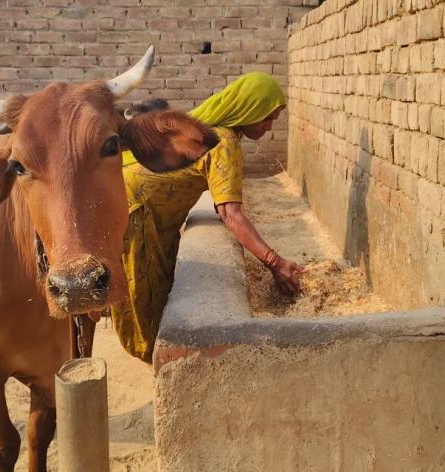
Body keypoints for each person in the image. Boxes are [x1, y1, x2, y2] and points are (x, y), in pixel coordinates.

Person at [113, 72, 304, 362]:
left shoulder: (213, 131)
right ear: (248, 109)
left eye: (273, 119)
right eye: (267, 117)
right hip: (138, 211)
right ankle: (154, 361)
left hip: (149, 210)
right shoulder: (223, 142)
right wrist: (275, 263)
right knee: (143, 292)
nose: (269, 126)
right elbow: (229, 212)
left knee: (158, 285)